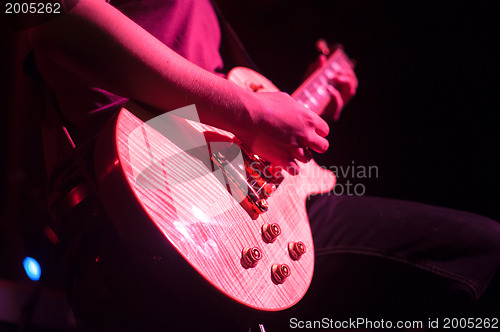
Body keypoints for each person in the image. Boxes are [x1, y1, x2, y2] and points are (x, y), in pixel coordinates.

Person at [23, 0, 500, 330]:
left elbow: (219, 112)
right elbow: (53, 20)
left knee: (480, 252)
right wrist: (249, 113)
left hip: (241, 190)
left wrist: (298, 112)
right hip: (141, 199)